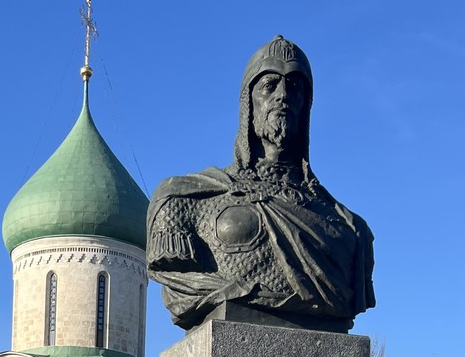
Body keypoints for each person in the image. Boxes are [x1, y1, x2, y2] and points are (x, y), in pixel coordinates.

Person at [147, 35, 375, 332]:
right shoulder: (184, 200)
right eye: (270, 85)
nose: (283, 95)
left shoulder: (350, 230)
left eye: (294, 87)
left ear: (307, 104)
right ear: (248, 103)